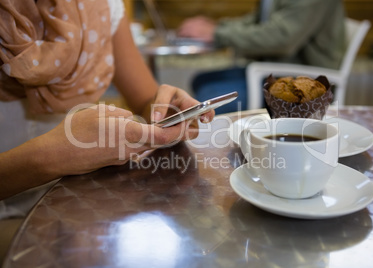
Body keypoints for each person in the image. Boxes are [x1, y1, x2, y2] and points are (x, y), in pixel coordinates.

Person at [0, 0, 214, 262]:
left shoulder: (101, 5)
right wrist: (52, 157)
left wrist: (165, 111)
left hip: (79, 202)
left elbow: (146, 99)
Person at [177, 0, 346, 113]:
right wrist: (217, 27)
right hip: (274, 70)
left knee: (207, 97)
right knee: (200, 80)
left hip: (300, 83)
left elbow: (282, 39)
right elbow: (259, 21)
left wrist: (217, 33)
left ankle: (221, 160)